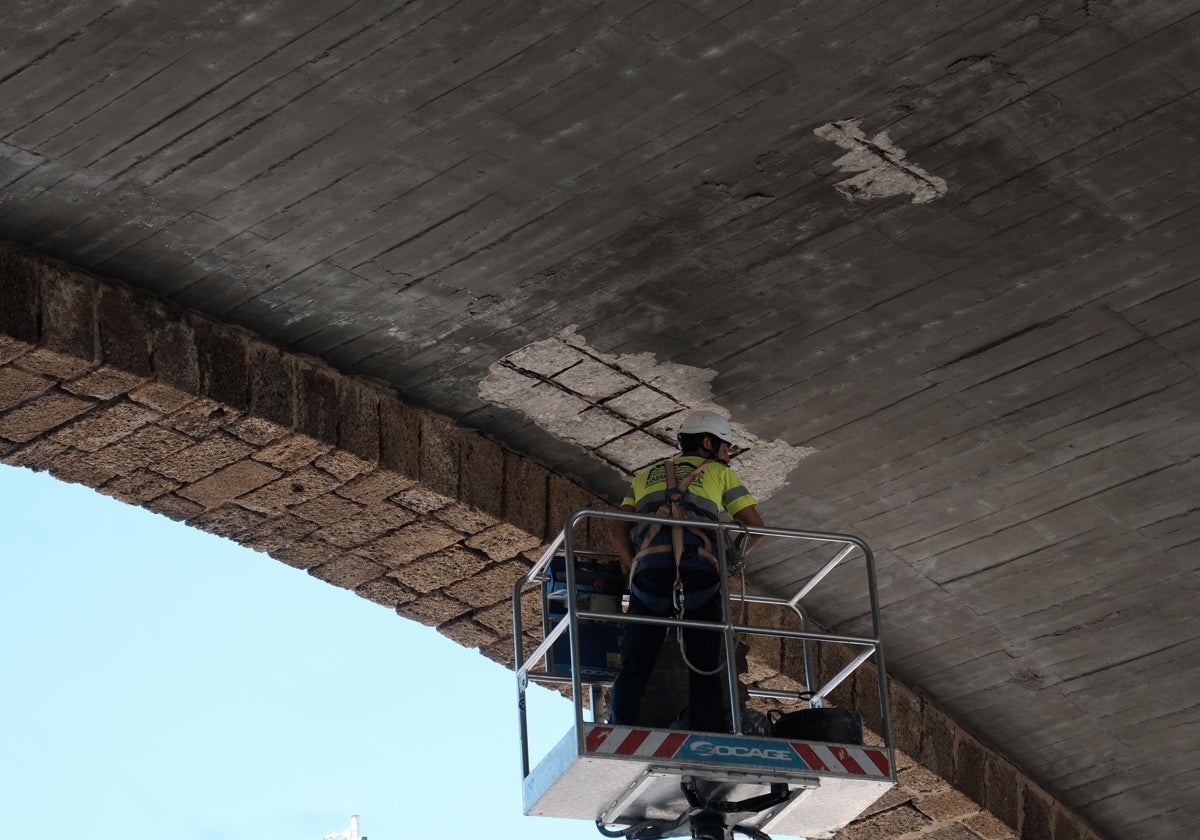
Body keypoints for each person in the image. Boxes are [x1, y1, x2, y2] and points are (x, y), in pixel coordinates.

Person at [606, 410, 765, 733]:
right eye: (726, 448)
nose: (728, 457)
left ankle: (620, 728)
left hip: (650, 572)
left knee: (636, 660)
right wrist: (730, 562)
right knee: (704, 661)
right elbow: (756, 528)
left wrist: (633, 565)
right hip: (699, 571)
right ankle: (708, 730)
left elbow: (616, 530)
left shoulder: (645, 475)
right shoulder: (720, 474)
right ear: (708, 443)